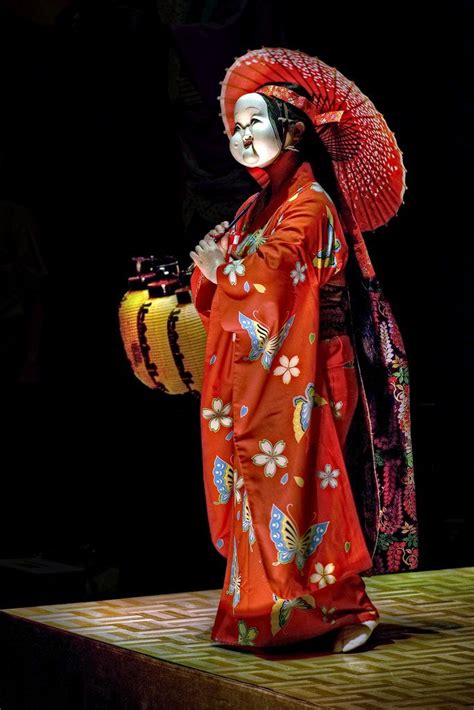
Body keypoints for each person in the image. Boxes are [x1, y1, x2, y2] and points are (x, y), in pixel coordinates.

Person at [189, 50, 417, 652]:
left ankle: (349, 610)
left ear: (292, 130)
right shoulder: (254, 206)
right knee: (258, 487)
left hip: (311, 368)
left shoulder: (311, 204)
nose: (240, 136)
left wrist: (229, 269)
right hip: (266, 371)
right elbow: (226, 285)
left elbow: (277, 276)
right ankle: (263, 614)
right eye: (234, 127)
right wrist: (214, 269)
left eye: (252, 122)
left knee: (310, 489)